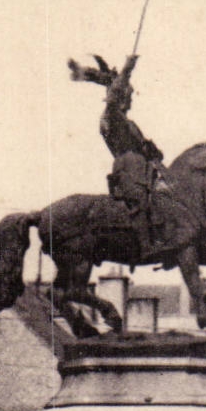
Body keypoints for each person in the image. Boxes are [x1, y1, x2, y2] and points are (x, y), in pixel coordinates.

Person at [69, 53, 177, 263]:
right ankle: (147, 247)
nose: (131, 99)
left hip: (144, 170)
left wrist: (152, 151)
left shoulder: (129, 123)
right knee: (140, 202)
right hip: (128, 171)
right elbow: (114, 94)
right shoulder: (112, 117)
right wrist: (127, 69)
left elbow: (147, 149)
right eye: (128, 95)